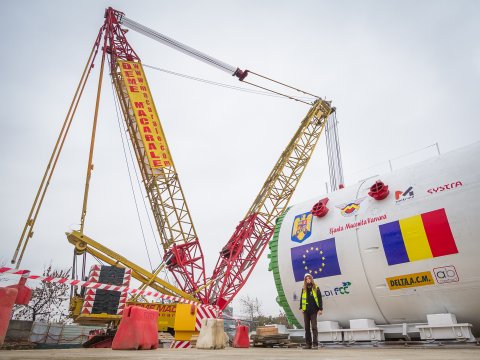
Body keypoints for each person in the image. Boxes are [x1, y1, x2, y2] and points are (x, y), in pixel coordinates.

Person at [299, 273, 323, 349]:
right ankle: (308, 344)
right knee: (306, 328)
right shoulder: (304, 288)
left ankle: (315, 344)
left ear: (311, 279)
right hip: (306, 310)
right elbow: (301, 298)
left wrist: (320, 309)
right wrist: (301, 308)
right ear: (305, 280)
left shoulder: (316, 287)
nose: (308, 280)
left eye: (309, 278)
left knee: (314, 327)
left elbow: (319, 298)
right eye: (306, 279)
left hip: (313, 310)